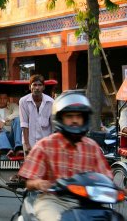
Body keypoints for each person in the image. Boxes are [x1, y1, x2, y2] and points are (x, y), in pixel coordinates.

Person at [18, 90, 113, 221]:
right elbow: (29, 182)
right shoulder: (45, 146)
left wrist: (116, 189)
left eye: (79, 116)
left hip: (88, 203)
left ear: (84, 119)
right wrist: (39, 183)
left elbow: (106, 178)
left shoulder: (92, 147)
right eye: (69, 116)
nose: (75, 120)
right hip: (53, 201)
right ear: (60, 118)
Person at [19, 74, 54, 154]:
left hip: (46, 144)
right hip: (29, 142)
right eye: (34, 85)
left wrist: (52, 145)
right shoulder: (23, 101)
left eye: (40, 85)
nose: (37, 88)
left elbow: (53, 126)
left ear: (43, 87)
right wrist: (27, 144)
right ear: (29, 87)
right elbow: (24, 124)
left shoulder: (51, 102)